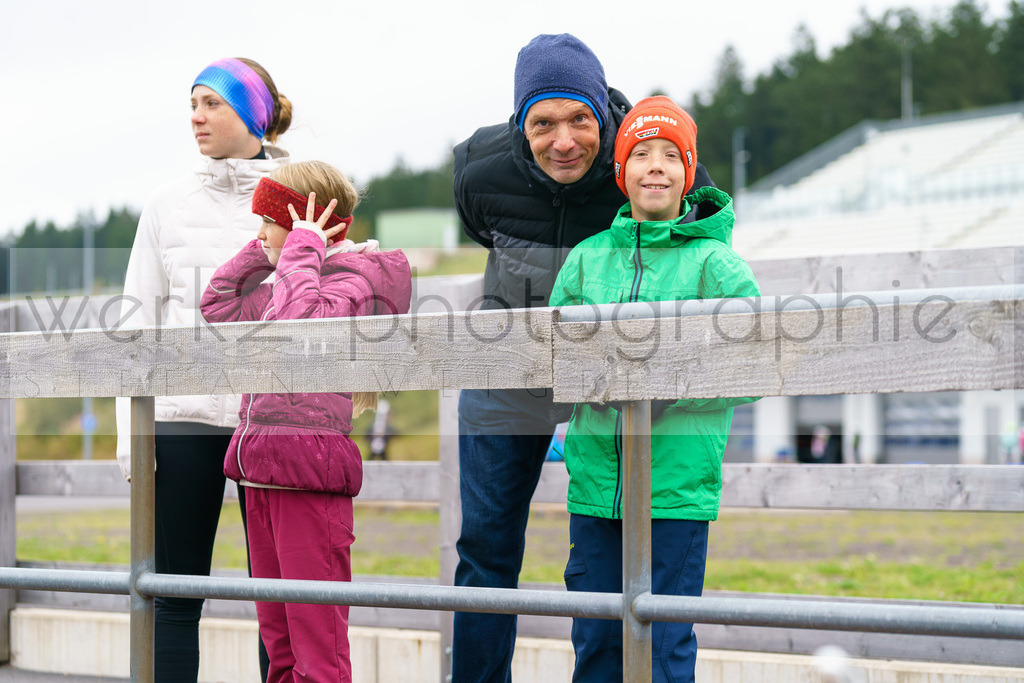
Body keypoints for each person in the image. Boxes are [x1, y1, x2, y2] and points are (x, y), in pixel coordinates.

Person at [451, 34, 716, 680]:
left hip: (612, 383)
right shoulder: (480, 172)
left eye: (579, 120)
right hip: (510, 372)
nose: (562, 140)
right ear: (520, 125)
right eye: (542, 123)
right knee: (485, 547)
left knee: (614, 555)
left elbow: (699, 226)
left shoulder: (646, 159)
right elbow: (480, 228)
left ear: (605, 114)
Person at [549, 96, 761, 682]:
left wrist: (663, 390)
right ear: (621, 172)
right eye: (641, 154)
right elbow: (555, 355)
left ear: (688, 171)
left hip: (674, 489)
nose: (656, 166)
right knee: (596, 638)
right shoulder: (588, 261)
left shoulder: (715, 264)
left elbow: (752, 363)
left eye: (671, 154)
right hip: (597, 486)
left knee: (665, 643)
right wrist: (589, 387)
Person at [115, 57, 291, 682]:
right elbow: (138, 319)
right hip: (184, 418)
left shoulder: (303, 192)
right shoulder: (165, 203)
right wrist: (130, 435)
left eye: (212, 103)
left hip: (275, 418)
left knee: (285, 599)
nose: (196, 117)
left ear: (254, 112)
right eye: (192, 103)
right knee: (174, 593)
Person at [200, 161, 412, 681]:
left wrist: (298, 247)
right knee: (281, 646)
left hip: (308, 474)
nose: (259, 232)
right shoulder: (295, 279)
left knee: (318, 646)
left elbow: (301, 333)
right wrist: (270, 250)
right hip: (261, 472)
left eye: (267, 221)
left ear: (304, 225)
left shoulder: (356, 278)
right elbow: (217, 305)